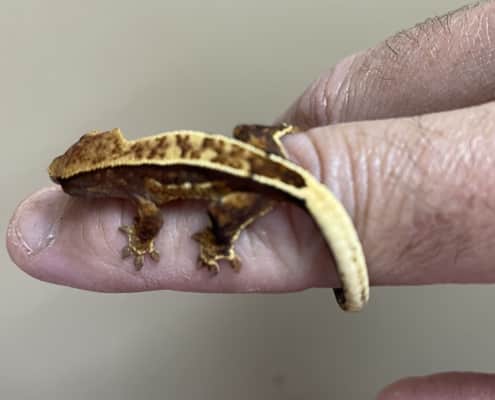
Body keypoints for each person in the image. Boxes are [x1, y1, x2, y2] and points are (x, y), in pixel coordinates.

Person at [7, 2, 495, 398]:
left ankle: (222, 246)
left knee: (221, 217)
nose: (70, 187)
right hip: (258, 154)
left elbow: (150, 219)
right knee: (249, 135)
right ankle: (274, 152)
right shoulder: (138, 170)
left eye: (75, 182)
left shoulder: (144, 189)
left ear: (105, 173)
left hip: (259, 191)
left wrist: (145, 238)